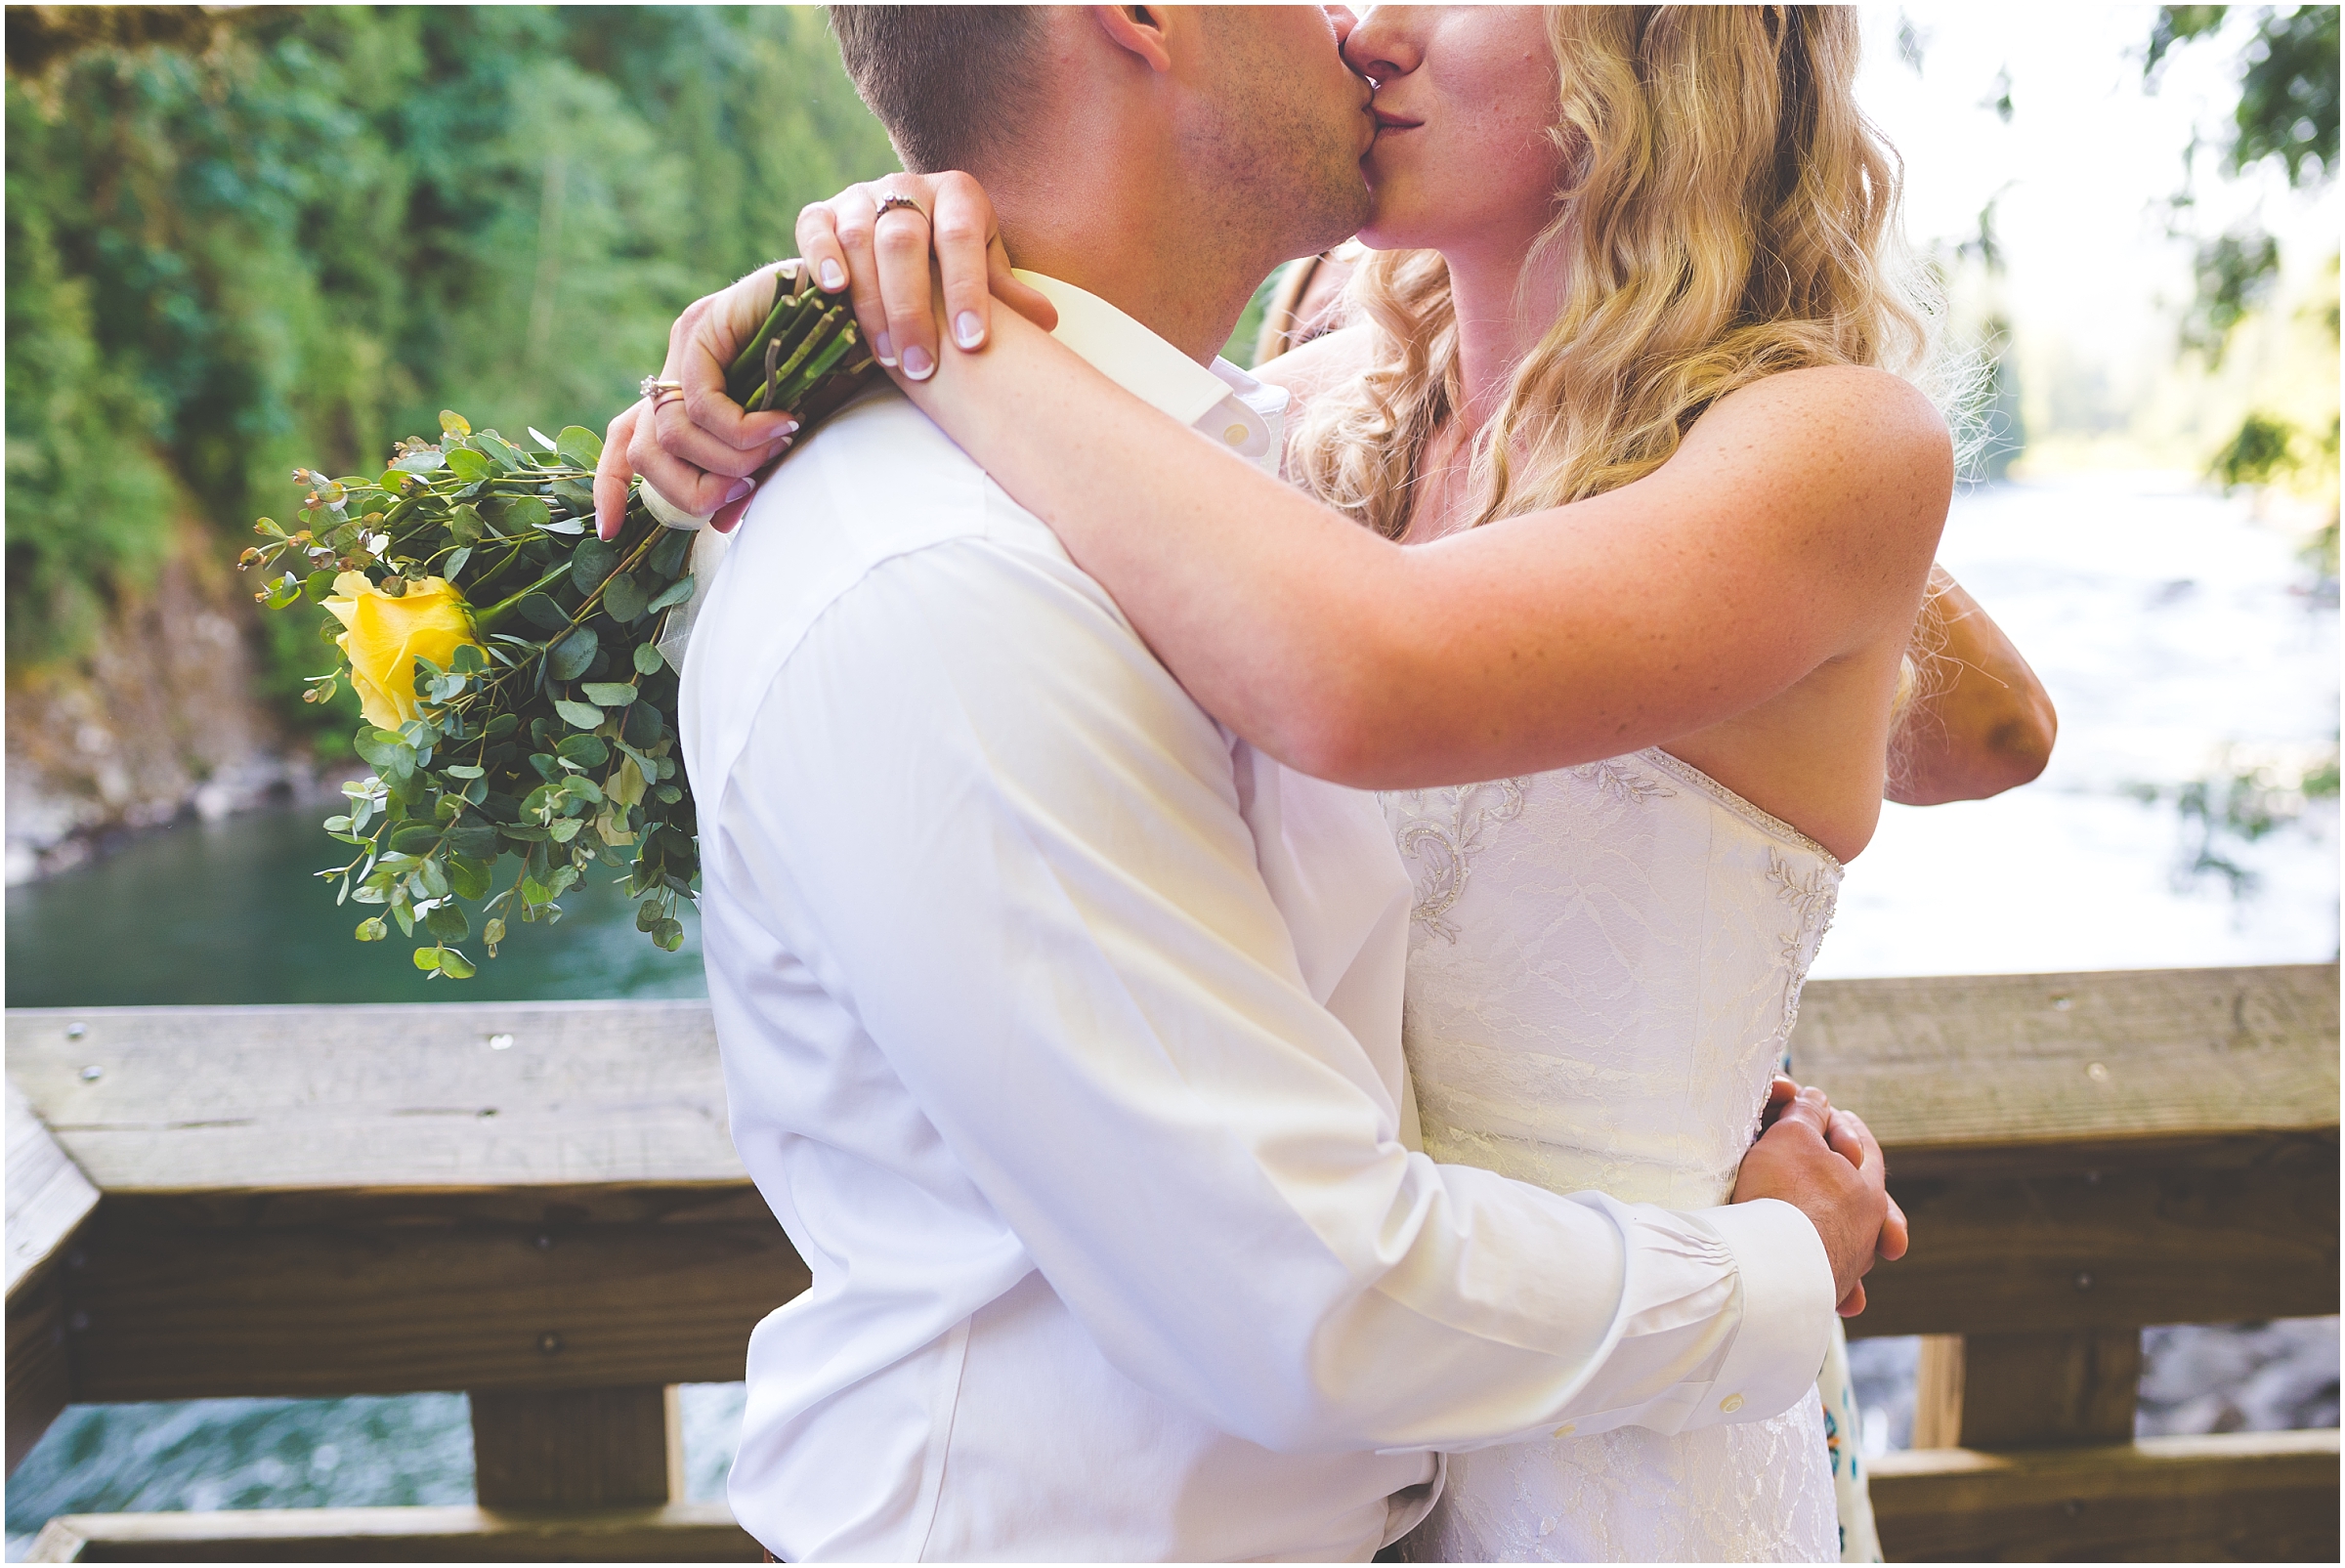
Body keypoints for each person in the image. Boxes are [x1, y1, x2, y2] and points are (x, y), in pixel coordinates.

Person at [602, 7, 2046, 1561]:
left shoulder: (1821, 450)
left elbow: (1371, 674)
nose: (1371, 25)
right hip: (1411, 1387)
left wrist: (923, 327)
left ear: (1663, 44)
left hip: (1624, 1427)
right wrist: (845, 294)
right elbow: (1162, 440)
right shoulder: (1332, 412)